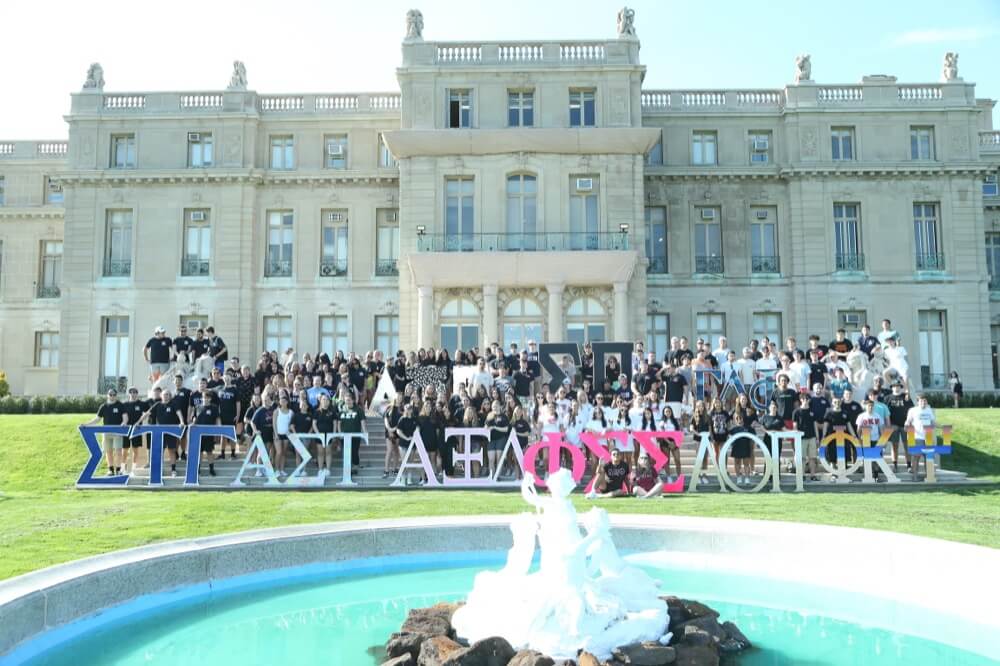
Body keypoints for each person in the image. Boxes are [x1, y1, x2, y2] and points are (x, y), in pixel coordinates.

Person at [82, 388, 130, 476]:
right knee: (108, 451)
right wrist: (86, 424)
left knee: (118, 451)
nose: (112, 396)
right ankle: (110, 470)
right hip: (106, 432)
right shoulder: (103, 406)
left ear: (116, 396)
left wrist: (124, 423)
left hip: (117, 432)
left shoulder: (120, 405)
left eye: (114, 395)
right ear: (107, 395)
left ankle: (118, 470)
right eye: (110, 394)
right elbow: (97, 419)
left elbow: (125, 416)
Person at [905, 393, 937, 481]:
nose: (923, 402)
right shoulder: (913, 410)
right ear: (918, 402)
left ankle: (929, 476)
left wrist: (941, 427)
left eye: (925, 401)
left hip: (928, 437)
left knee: (928, 457)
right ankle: (915, 476)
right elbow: (908, 421)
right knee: (916, 457)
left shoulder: (929, 410)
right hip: (917, 437)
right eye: (921, 401)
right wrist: (906, 425)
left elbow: (933, 422)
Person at [192, 386, 222, 477]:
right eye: (204, 397)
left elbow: (218, 419)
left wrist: (219, 428)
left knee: (209, 451)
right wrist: (193, 422)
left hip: (209, 434)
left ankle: (211, 469)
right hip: (198, 434)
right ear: (202, 398)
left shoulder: (214, 408)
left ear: (210, 398)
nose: (205, 399)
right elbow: (194, 418)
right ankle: (198, 469)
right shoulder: (197, 407)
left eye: (207, 397)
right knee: (199, 452)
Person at [792, 393, 819, 480]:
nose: (806, 400)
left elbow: (815, 425)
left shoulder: (812, 411)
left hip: (812, 437)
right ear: (801, 400)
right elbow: (795, 426)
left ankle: (813, 475)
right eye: (804, 399)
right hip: (801, 438)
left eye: (807, 399)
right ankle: (802, 475)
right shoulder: (796, 412)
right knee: (801, 458)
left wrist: (817, 437)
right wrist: (796, 437)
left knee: (812, 457)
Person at [339, 393, 367, 474]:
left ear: (353, 400)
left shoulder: (358, 409)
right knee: (346, 452)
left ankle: (355, 467)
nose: (347, 402)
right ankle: (348, 468)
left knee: (354, 451)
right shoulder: (342, 410)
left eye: (349, 400)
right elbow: (338, 423)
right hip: (344, 436)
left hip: (355, 435)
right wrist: (340, 433)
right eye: (346, 400)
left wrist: (364, 432)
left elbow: (362, 421)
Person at [216, 373, 241, 460]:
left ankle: (233, 454)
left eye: (228, 377)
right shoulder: (219, 388)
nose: (226, 379)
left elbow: (238, 403)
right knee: (223, 435)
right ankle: (222, 454)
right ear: (223, 378)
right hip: (222, 416)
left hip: (232, 416)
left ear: (231, 378)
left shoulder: (235, 390)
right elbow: (209, 390)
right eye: (225, 377)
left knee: (232, 435)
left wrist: (237, 415)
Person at [313, 394, 339, 478]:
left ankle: (328, 469)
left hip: (329, 435)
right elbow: (314, 424)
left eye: (327, 399)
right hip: (319, 436)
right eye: (323, 399)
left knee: (328, 452)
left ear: (329, 401)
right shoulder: (317, 412)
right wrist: (317, 434)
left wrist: (333, 435)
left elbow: (335, 424)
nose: (325, 401)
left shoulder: (332, 412)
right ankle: (320, 469)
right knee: (320, 452)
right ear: (320, 401)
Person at [485, 400, 510, 480]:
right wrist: (487, 428)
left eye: (496, 406)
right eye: (493, 406)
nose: (495, 408)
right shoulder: (489, 416)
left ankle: (497, 476)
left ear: (499, 406)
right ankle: (492, 476)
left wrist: (495, 427)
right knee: (491, 459)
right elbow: (485, 427)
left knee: (499, 458)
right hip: (491, 440)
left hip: (501, 439)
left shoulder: (504, 416)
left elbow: (506, 429)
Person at [383, 394, 404, 478]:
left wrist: (396, 429)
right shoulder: (389, 407)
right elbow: (385, 419)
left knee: (396, 451)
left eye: (401, 398)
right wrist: (390, 430)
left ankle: (395, 469)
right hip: (389, 432)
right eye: (398, 397)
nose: (399, 399)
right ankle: (386, 471)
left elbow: (403, 421)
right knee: (389, 450)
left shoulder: (402, 409)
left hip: (398, 432)